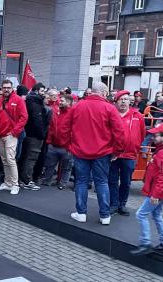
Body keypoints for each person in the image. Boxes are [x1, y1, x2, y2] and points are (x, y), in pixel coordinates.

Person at [62, 83, 124, 225]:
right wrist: (117, 151)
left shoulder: (77, 106)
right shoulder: (109, 108)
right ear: (103, 92)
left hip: (80, 151)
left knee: (81, 182)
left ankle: (81, 213)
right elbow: (119, 132)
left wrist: (68, 145)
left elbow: (64, 127)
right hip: (102, 152)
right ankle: (105, 216)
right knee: (102, 182)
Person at [130, 123, 163, 256]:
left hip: (158, 191)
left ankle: (146, 243)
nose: (153, 137)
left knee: (141, 214)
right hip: (159, 190)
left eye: (156, 135)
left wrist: (155, 194)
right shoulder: (162, 151)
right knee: (156, 215)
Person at [108, 90, 145, 216]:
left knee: (126, 182)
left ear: (130, 101)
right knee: (112, 181)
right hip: (113, 154)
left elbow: (142, 133)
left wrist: (135, 146)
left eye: (126, 99)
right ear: (116, 102)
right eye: (121, 99)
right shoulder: (111, 114)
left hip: (129, 155)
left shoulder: (137, 115)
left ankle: (122, 204)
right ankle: (113, 204)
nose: (123, 101)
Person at [0, 80, 28, 195]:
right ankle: (8, 183)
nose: (6, 89)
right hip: (0, 134)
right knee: (4, 159)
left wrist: (14, 132)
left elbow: (24, 117)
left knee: (10, 159)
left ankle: (15, 184)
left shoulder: (18, 99)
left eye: (8, 87)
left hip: (11, 135)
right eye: (4, 87)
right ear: (2, 88)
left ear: (12, 88)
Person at [19, 83, 51, 191]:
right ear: (36, 91)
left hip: (28, 134)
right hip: (35, 136)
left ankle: (23, 179)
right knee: (31, 158)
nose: (44, 93)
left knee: (25, 157)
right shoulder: (35, 103)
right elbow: (38, 121)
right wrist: (42, 134)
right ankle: (27, 180)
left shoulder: (29, 101)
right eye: (42, 91)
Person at [41, 94, 74, 190]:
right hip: (53, 146)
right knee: (49, 165)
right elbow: (51, 127)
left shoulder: (72, 114)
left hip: (66, 147)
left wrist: (70, 146)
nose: (60, 102)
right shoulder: (56, 112)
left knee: (66, 168)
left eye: (62, 101)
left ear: (68, 103)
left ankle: (62, 184)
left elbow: (74, 131)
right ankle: (46, 181)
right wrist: (49, 141)